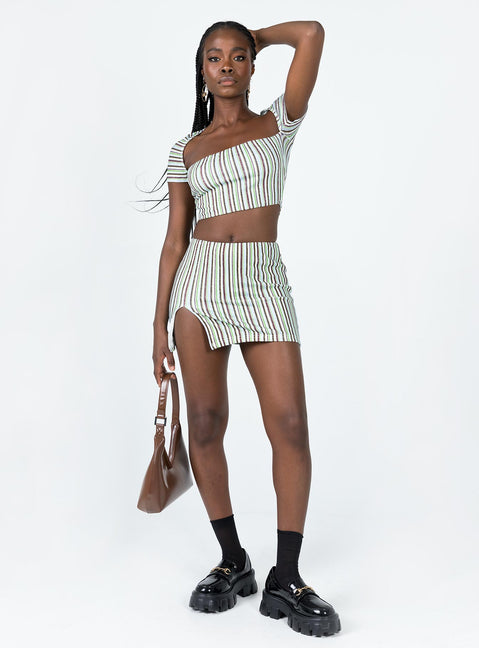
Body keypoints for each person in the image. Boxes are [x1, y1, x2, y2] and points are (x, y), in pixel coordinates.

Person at [151, 20, 341, 637]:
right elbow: (175, 240)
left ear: (253, 65)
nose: (227, 65)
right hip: (199, 287)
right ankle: (233, 560)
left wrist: (255, 34)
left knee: (290, 425)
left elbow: (311, 32)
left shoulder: (279, 123)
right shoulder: (186, 149)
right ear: (202, 70)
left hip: (262, 283)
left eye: (238, 56)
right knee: (205, 424)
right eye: (215, 57)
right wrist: (157, 325)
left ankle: (288, 576)